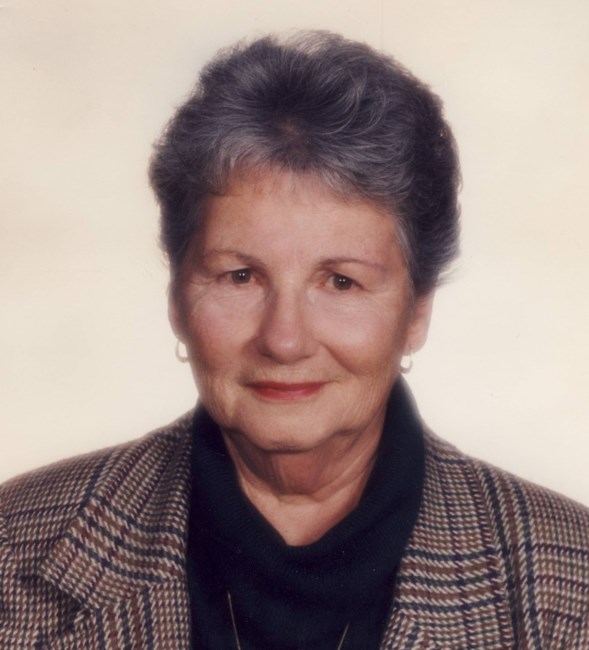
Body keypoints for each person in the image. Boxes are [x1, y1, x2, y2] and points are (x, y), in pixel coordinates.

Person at [0, 30, 587, 650]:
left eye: (341, 282)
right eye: (241, 276)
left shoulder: (567, 586)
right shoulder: (13, 549)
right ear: (177, 299)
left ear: (416, 311)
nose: (284, 340)